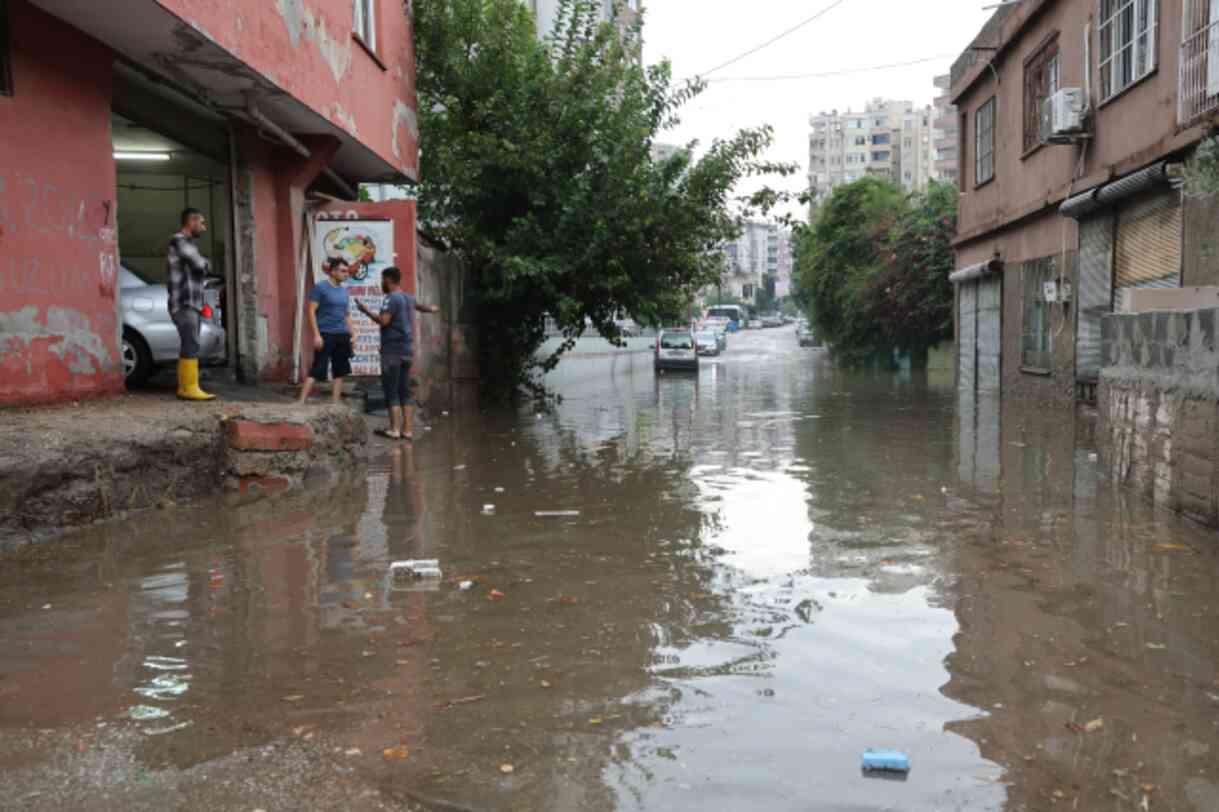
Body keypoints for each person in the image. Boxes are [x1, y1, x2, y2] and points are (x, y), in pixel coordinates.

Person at [356, 266, 439, 440]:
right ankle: (407, 431)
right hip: (407, 351)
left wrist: (365, 311)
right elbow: (421, 307)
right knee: (405, 392)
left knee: (391, 391)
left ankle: (394, 430)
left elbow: (384, 321)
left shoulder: (391, 298)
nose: (381, 283)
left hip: (392, 352)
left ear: (388, 280)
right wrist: (432, 308)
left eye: (382, 280)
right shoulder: (408, 297)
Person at [167, 208, 216, 401]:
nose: (203, 227)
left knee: (190, 343)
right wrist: (206, 263)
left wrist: (204, 263)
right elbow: (200, 265)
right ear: (191, 222)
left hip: (191, 302)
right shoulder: (179, 241)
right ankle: (189, 388)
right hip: (184, 302)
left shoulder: (187, 244)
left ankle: (186, 387)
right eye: (201, 223)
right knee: (191, 343)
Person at [298, 257, 354, 404]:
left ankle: (335, 403)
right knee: (317, 368)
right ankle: (301, 401)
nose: (346, 274)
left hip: (342, 334)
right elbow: (311, 311)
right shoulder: (321, 288)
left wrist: (353, 334)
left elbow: (346, 314)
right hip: (326, 333)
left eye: (347, 271)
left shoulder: (344, 291)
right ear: (333, 271)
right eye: (343, 271)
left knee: (339, 370)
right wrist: (317, 335)